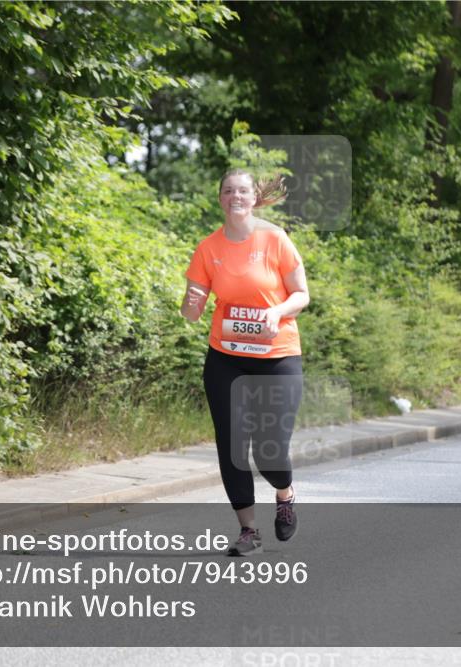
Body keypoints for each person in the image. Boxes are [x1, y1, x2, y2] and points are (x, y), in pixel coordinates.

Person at [180, 168, 309, 556]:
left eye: (242, 191)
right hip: (225, 358)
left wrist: (277, 312)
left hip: (277, 356)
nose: (235, 196)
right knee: (232, 444)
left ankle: (284, 495)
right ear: (220, 198)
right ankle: (248, 530)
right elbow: (192, 311)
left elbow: (301, 294)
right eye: (228, 190)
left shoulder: (275, 239)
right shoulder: (208, 248)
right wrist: (190, 304)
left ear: (253, 198)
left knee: (269, 449)